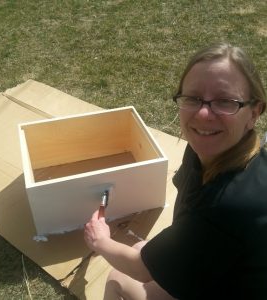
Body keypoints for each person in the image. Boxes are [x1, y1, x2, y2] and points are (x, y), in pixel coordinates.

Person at [84, 42, 267, 300]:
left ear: (254, 112)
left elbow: (141, 270)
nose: (203, 114)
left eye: (225, 101)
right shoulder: (207, 151)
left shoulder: (227, 206)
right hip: (223, 269)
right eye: (193, 98)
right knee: (139, 246)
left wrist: (99, 241)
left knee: (117, 277)